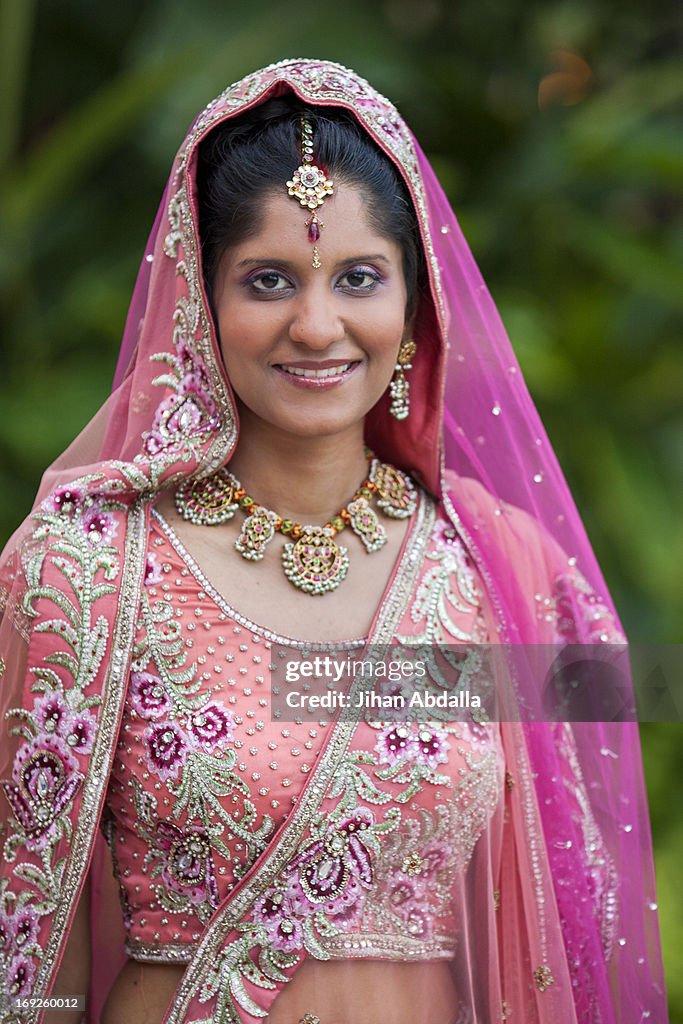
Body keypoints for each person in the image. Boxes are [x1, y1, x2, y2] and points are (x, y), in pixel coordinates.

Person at [0, 59, 666, 1024]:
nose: (317, 326)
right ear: (202, 304)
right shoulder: (86, 567)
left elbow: (570, 902)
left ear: (413, 306)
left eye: (359, 277)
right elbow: (20, 948)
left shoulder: (496, 566)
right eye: (268, 280)